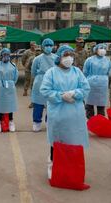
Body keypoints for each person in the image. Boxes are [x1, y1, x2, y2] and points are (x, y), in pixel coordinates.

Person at [40, 45, 90, 179]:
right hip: (58, 114)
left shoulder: (77, 72)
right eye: (66, 55)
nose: (69, 58)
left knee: (73, 140)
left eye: (71, 55)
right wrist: (61, 96)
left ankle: (71, 165)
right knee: (57, 141)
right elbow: (45, 90)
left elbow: (85, 88)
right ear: (59, 57)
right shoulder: (51, 72)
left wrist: (75, 93)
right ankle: (52, 164)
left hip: (75, 114)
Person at [31, 38, 57, 132]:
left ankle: (49, 122)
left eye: (50, 45)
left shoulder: (56, 58)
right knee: (38, 103)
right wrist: (40, 78)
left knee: (51, 103)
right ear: (42, 47)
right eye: (46, 45)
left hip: (52, 82)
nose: (48, 47)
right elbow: (33, 72)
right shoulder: (37, 59)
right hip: (40, 82)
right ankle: (36, 122)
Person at [0, 48, 19, 133]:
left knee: (10, 104)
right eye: (4, 54)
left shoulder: (13, 65)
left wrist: (10, 84)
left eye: (8, 54)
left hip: (10, 87)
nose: (6, 56)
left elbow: (15, 77)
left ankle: (11, 121)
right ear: (1, 55)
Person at [83, 43, 111, 119]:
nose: (102, 50)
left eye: (104, 48)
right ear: (96, 50)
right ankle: (90, 121)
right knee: (89, 105)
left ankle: (100, 123)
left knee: (101, 105)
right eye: (100, 48)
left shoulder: (107, 60)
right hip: (91, 83)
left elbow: (108, 71)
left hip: (103, 84)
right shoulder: (89, 60)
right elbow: (85, 72)